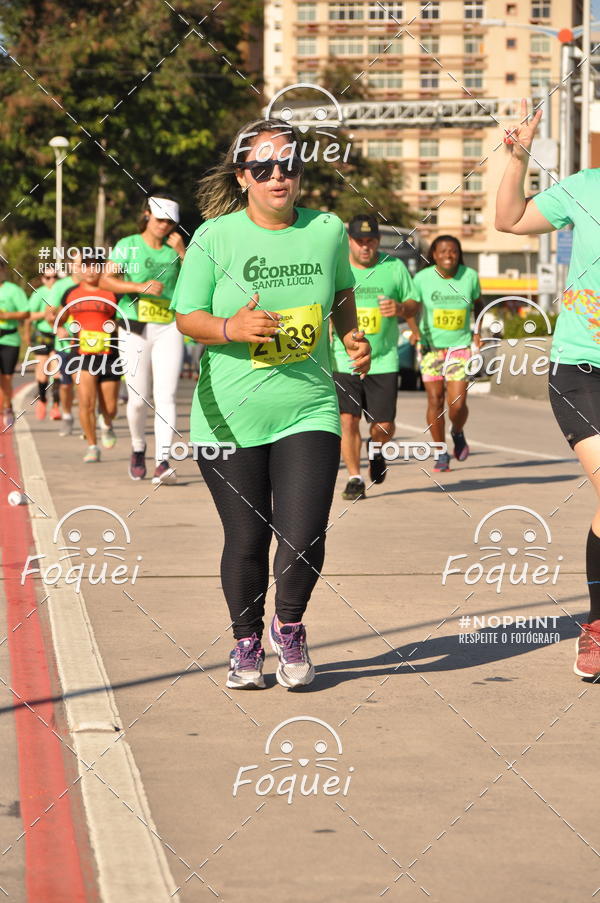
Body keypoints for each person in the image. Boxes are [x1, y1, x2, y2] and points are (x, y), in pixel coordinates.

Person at [172, 118, 370, 690]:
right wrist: (232, 326)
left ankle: (289, 627)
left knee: (305, 531)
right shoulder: (215, 236)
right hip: (227, 414)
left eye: (288, 165)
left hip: (308, 405)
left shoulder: (328, 230)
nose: (277, 175)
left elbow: (339, 293)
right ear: (244, 176)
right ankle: (245, 644)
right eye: (263, 167)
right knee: (248, 537)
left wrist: (351, 335)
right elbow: (187, 317)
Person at [496, 98, 600, 679]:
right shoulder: (585, 188)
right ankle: (597, 627)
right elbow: (508, 220)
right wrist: (518, 156)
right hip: (582, 368)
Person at [99, 192, 185, 483]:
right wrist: (139, 286)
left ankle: (162, 461)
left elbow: (198, 279)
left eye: (170, 222)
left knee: (167, 396)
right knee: (137, 400)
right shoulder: (128, 245)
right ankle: (138, 447)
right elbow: (105, 280)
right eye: (160, 220)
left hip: (169, 326)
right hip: (133, 326)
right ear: (147, 215)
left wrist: (184, 253)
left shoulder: (176, 248)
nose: (164, 226)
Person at [331, 214, 417, 500]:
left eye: (370, 241)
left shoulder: (393, 267)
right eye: (359, 241)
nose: (365, 247)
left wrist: (401, 308)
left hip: (383, 359)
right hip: (345, 360)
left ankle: (377, 449)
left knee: (384, 426)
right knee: (348, 419)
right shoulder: (337, 268)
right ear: (350, 242)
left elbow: (413, 304)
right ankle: (355, 478)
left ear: (378, 242)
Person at [411, 235, 481, 472]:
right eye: (443, 251)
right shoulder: (421, 279)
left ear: (459, 254)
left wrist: (478, 331)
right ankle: (441, 452)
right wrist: (413, 331)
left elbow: (479, 305)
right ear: (434, 254)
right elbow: (411, 307)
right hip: (431, 349)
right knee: (434, 400)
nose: (448, 256)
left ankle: (457, 431)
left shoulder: (470, 276)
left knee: (457, 404)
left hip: (459, 348)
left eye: (453, 251)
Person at [58, 260, 120, 462]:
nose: (90, 271)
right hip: (81, 353)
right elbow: (60, 316)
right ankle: (92, 446)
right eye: (86, 266)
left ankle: (107, 423)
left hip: (109, 354)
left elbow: (125, 317)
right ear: (79, 269)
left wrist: (117, 327)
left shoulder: (113, 292)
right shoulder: (71, 293)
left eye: (95, 266)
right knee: (86, 402)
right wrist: (58, 326)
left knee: (110, 408)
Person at [46, 257, 82, 436]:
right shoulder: (61, 286)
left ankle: (98, 416)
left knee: (88, 383)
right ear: (70, 266)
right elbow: (49, 313)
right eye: (77, 264)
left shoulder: (98, 284)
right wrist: (59, 326)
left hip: (92, 344)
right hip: (66, 345)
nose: (80, 268)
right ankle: (67, 415)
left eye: (84, 264)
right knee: (66, 385)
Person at [27, 268, 61, 421]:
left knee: (57, 370)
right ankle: (42, 399)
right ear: (43, 279)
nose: (52, 280)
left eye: (54, 277)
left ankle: (56, 405)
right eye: (48, 277)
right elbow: (29, 315)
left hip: (58, 334)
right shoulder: (38, 293)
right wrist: (45, 314)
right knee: (42, 370)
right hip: (42, 334)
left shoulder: (62, 290)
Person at [0, 262, 30, 429]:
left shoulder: (13, 290)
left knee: (6, 378)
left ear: (3, 270)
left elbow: (25, 312)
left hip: (9, 339)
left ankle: (7, 406)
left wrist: (6, 314)